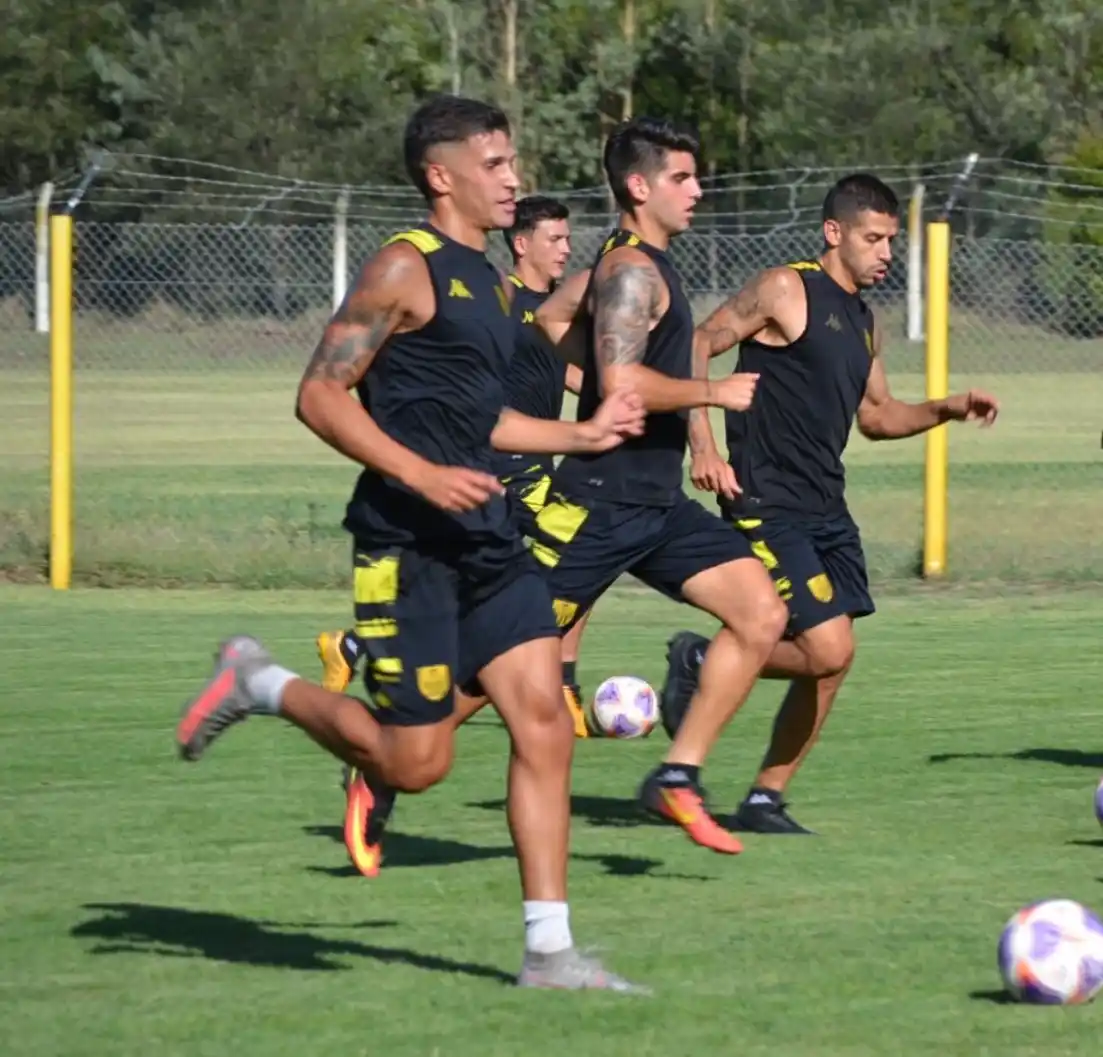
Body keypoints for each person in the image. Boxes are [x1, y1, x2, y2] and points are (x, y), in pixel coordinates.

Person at [173, 94, 648, 992]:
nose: (514, 177)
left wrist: (578, 436)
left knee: (544, 724)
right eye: (496, 162)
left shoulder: (497, 287)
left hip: (488, 538)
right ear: (442, 175)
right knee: (416, 763)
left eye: (513, 162)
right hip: (407, 543)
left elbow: (484, 420)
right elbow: (319, 395)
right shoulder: (404, 267)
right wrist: (420, 474)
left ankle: (549, 954)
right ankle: (260, 683)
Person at [658, 173, 1000, 834]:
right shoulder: (785, 288)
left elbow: (877, 415)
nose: (883, 253)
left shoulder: (864, 319)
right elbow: (699, 341)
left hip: (826, 507)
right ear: (833, 232)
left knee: (833, 660)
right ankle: (702, 661)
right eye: (872, 239)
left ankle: (765, 796)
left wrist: (948, 407)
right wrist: (701, 443)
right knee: (826, 645)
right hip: (765, 500)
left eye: (890, 242)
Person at [530, 116, 788, 856]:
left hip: (655, 503)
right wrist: (710, 394)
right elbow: (621, 377)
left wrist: (583, 381)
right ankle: (383, 764)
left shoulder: (629, 267)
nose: (698, 191)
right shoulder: (631, 271)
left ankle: (677, 776)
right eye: (682, 178)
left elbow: (552, 318)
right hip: (596, 502)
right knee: (503, 658)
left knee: (760, 613)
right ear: (638, 187)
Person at [316, 194, 594, 740]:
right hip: (504, 468)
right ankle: (557, 682)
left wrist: (608, 414)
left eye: (567, 238)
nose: (565, 248)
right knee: (576, 553)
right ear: (522, 243)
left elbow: (560, 375)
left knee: (528, 577)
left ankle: (355, 645)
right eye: (555, 239)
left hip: (534, 458)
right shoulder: (498, 298)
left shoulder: (542, 308)